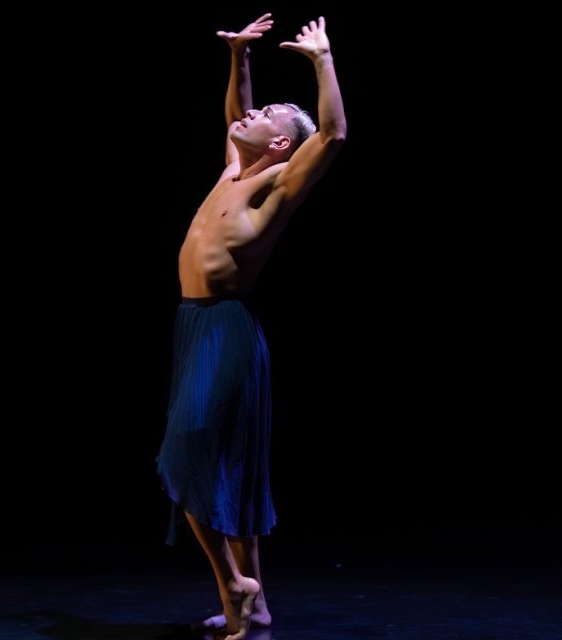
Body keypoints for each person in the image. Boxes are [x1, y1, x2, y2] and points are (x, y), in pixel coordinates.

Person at [154, 12, 347, 640]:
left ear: (282, 146)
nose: (254, 112)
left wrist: (321, 61)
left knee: (186, 451)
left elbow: (333, 135)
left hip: (227, 329)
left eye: (270, 115)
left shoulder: (275, 185)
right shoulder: (230, 169)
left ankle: (237, 585)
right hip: (193, 325)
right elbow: (237, 111)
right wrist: (239, 55)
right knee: (227, 467)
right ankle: (250, 610)